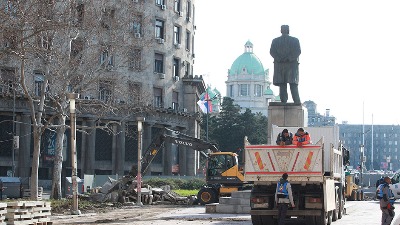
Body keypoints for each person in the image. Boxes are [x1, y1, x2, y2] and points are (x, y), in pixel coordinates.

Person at [270, 25, 302, 104]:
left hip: (285, 65)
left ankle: (288, 101)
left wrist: (280, 58)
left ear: (281, 31)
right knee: (289, 84)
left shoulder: (275, 41)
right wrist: (288, 58)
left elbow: (272, 52)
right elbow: (298, 51)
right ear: (288, 30)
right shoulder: (294, 40)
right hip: (288, 65)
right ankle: (295, 101)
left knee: (285, 84)